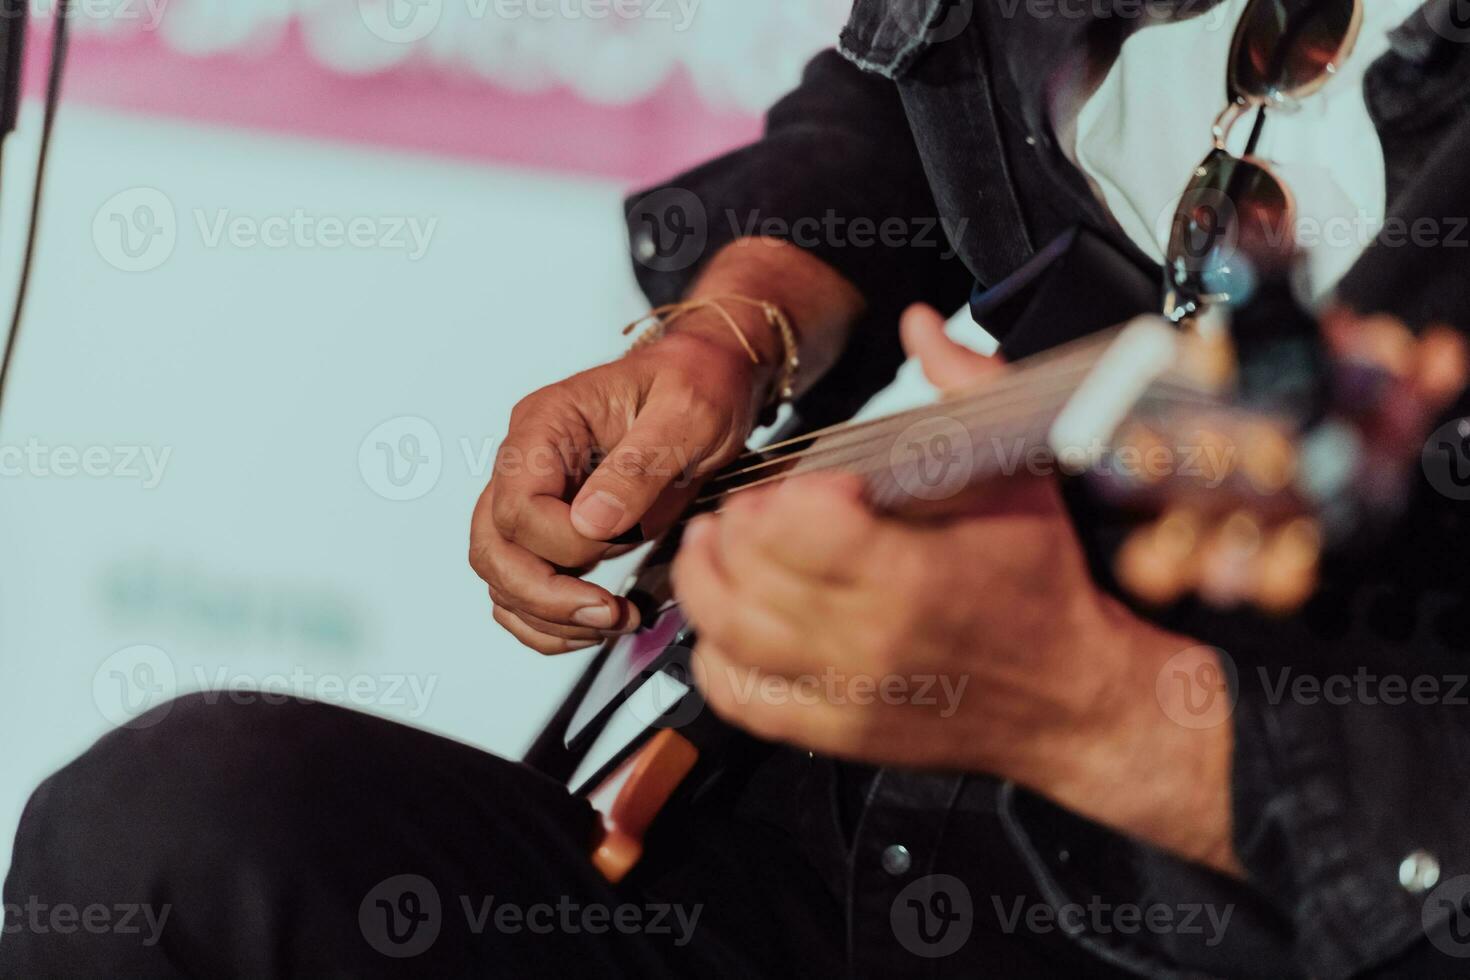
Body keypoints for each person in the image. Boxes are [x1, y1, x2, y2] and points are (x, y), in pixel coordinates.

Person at [7, 1, 1470, 976]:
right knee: (171, 844)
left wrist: (1085, 709)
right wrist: (742, 322)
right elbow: (909, 103)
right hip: (838, 835)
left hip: (1257, 910)